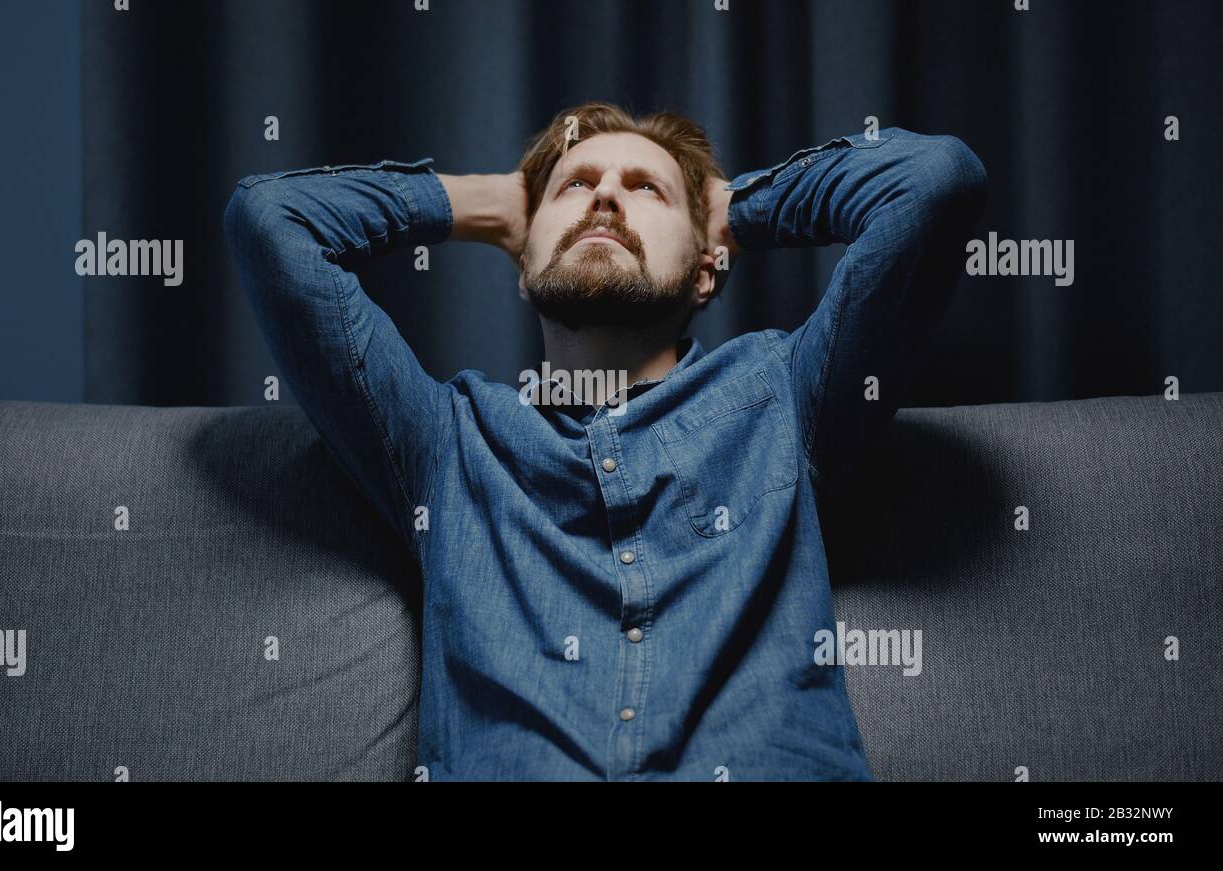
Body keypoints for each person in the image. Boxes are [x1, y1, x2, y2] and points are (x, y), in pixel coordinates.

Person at [222, 101, 987, 781]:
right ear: (522, 264)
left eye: (644, 188)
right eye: (575, 185)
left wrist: (734, 207)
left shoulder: (788, 394)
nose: (607, 197)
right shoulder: (445, 443)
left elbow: (934, 182)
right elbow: (271, 219)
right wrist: (494, 202)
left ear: (705, 271)